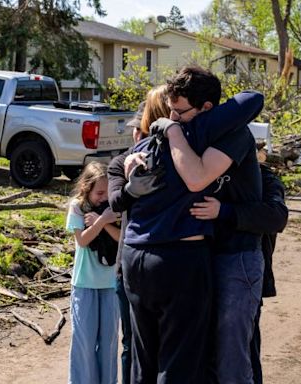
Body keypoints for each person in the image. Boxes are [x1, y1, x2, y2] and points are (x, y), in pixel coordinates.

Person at [111, 66, 264, 383]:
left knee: (158, 361)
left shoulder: (188, 134)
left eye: (179, 111)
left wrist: (171, 132)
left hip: (212, 254)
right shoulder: (175, 136)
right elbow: (191, 179)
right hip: (179, 260)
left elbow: (254, 98)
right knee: (180, 363)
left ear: (207, 109)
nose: (171, 116)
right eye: (168, 110)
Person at [190, 158, 288, 384]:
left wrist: (224, 211)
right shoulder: (205, 170)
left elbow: (276, 216)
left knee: (240, 356)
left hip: (243, 276)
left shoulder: (264, 176)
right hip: (204, 273)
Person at [109, 89, 170, 384]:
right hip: (128, 265)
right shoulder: (121, 163)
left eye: (138, 128)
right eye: (135, 129)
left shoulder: (174, 154)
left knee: (158, 348)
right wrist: (134, 185)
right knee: (131, 344)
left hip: (156, 261)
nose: (135, 134)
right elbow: (115, 202)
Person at [66, 161, 121, 384]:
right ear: (86, 189)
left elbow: (121, 238)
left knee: (108, 343)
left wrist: (104, 221)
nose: (103, 198)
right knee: (84, 344)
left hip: (110, 284)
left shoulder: (113, 209)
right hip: (84, 284)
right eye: (99, 192)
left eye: (107, 192)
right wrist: (101, 222)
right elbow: (82, 240)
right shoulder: (77, 206)